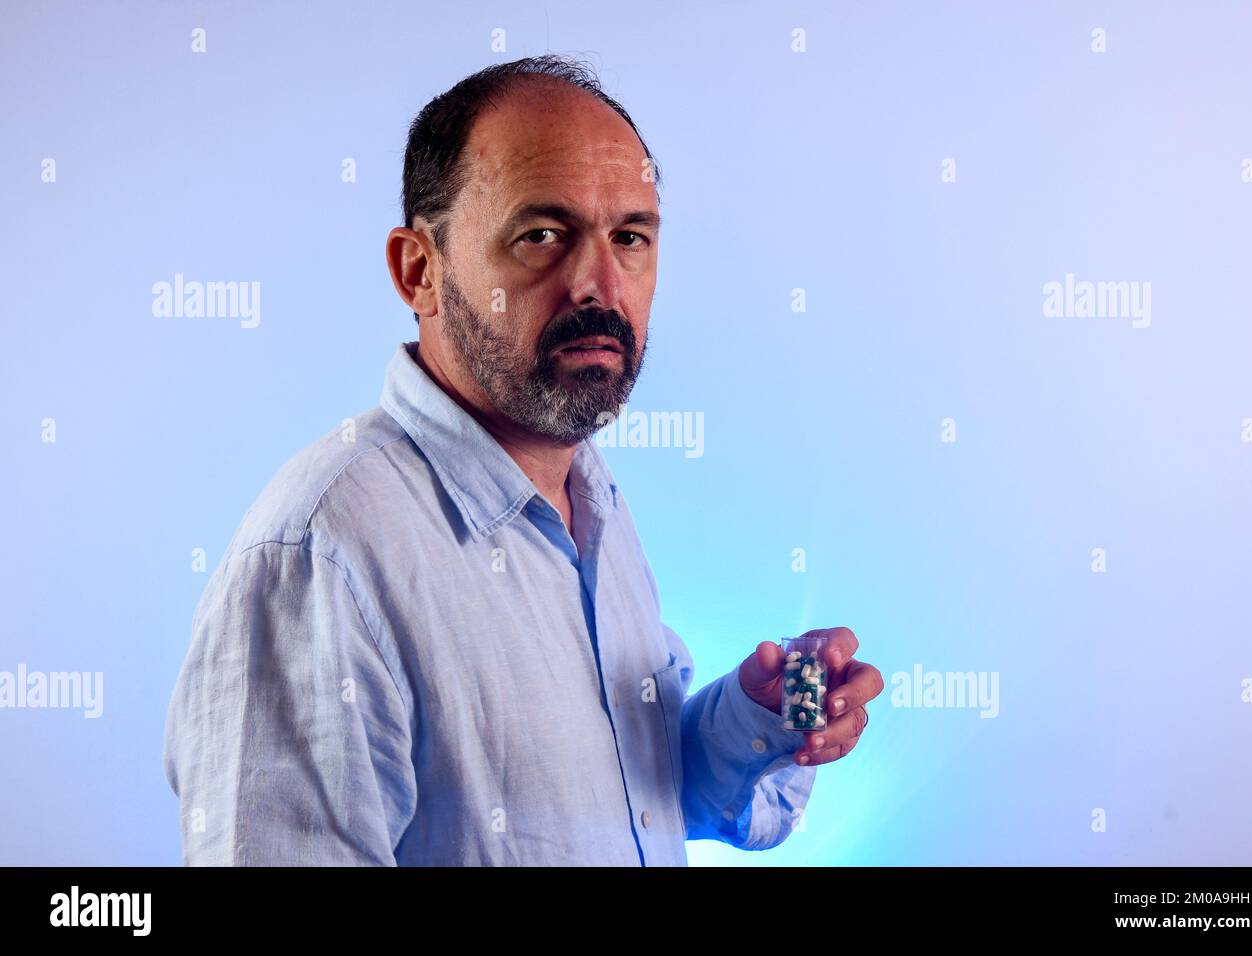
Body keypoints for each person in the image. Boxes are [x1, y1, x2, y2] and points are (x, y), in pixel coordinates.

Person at [163, 54, 884, 866]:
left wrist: (755, 719)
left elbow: (631, 799)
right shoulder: (322, 557)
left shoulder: (588, 494)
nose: (600, 284)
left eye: (631, 237)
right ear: (420, 270)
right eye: (541, 235)